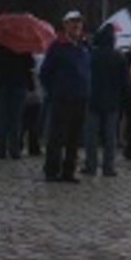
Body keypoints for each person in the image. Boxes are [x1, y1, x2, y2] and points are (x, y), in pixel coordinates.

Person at [39, 10, 90, 183]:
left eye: (79, 23)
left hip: (80, 98)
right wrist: (54, 91)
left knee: (74, 138)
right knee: (57, 136)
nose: (77, 26)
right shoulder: (57, 46)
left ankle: (69, 171)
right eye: (73, 22)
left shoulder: (84, 47)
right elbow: (45, 73)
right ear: (65, 25)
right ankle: (52, 170)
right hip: (62, 98)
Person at [83, 23, 128, 177]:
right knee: (110, 136)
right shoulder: (119, 57)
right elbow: (125, 83)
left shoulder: (91, 55)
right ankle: (109, 167)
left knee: (91, 135)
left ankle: (90, 165)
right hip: (112, 102)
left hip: (92, 99)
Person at [0, 40, 34, 160]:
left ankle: (1, 149)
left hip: (4, 83)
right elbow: (31, 64)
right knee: (16, 118)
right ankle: (14, 149)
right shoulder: (24, 44)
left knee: (2, 117)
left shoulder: (0, 45)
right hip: (19, 83)